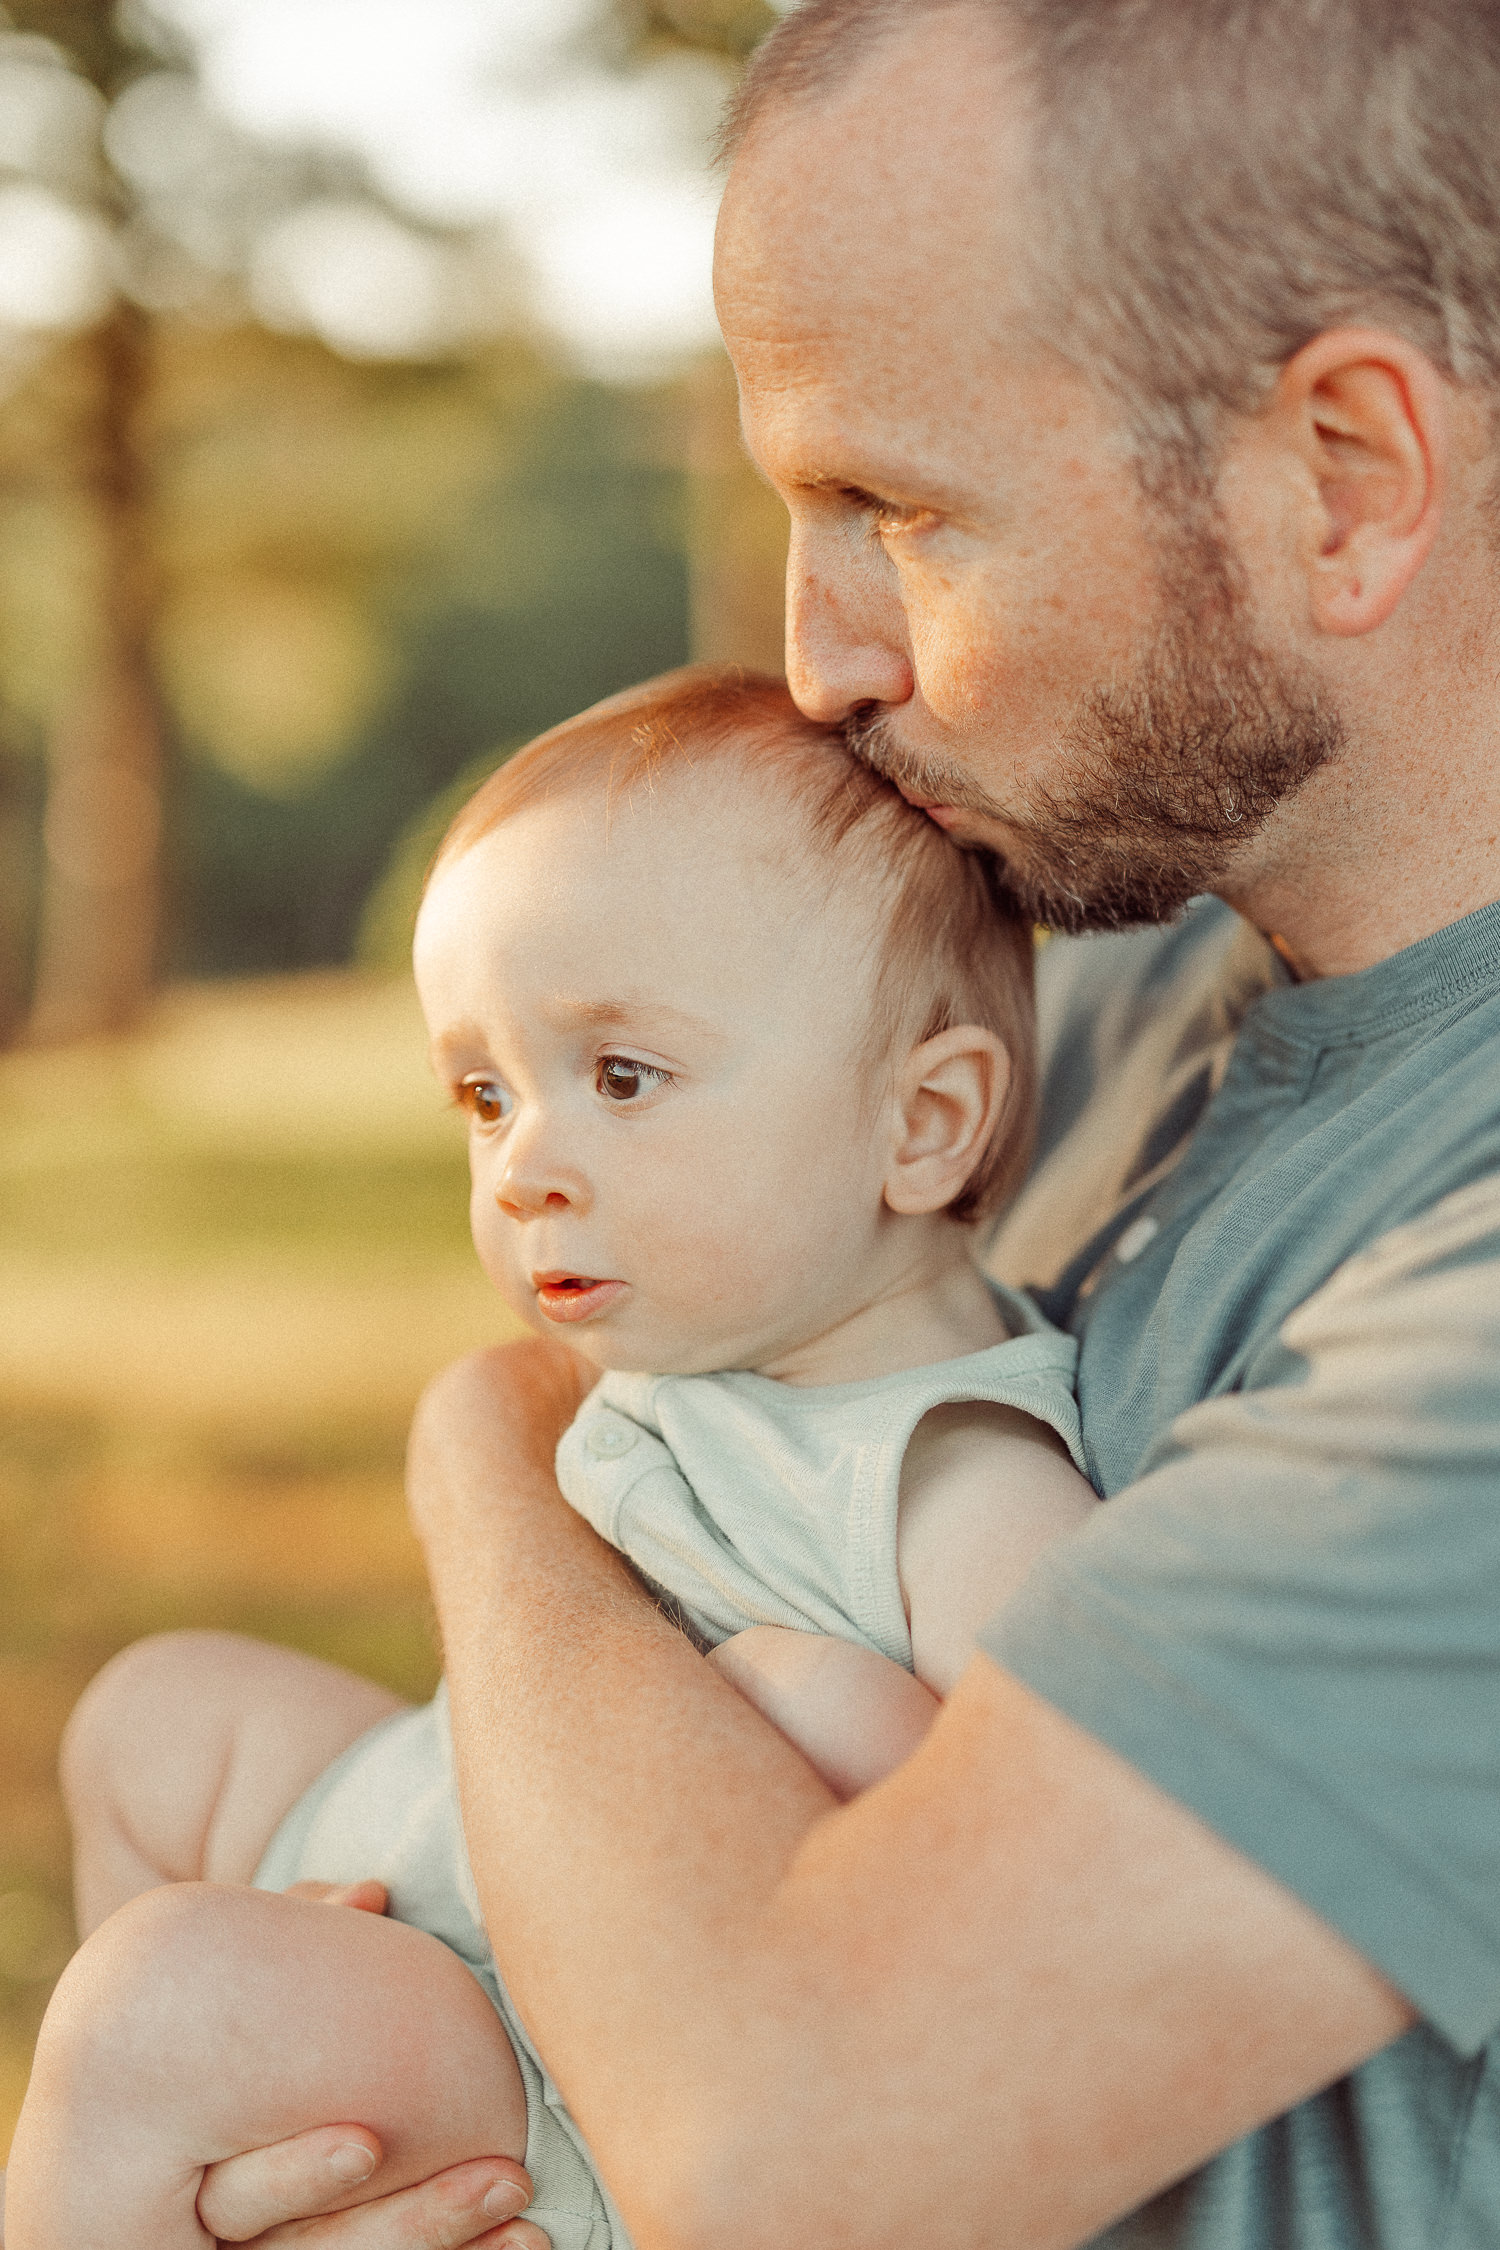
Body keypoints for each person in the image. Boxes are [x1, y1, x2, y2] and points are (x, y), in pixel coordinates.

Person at [31, 0, 1500, 2243]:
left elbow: (791, 2143)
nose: (820, 656)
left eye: (893, 506)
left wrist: (485, 1444)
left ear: (1349, 475)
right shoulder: (1099, 996)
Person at [3, 672, 1098, 2250]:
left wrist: (822, 1708)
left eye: (622, 1076)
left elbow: (1034, 1870)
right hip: (460, 1854)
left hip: (571, 2049)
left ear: (921, 1126)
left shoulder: (953, 1474)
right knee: (153, 1717)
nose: (523, 1166)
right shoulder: (727, 1354)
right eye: (484, 1091)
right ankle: (191, 2166)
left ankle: (162, 2104)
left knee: (150, 2003)